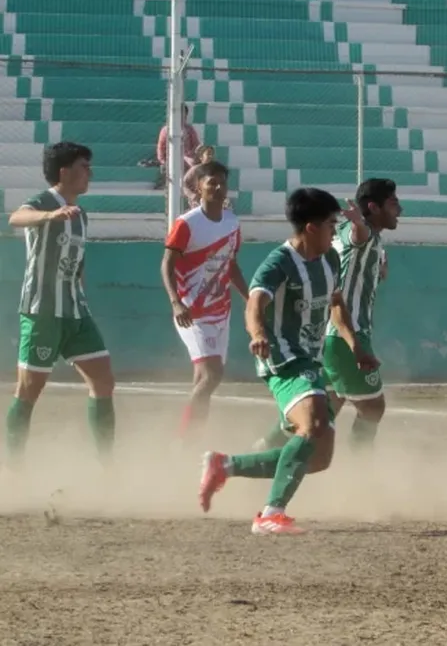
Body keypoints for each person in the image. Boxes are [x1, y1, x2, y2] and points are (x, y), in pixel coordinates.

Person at [197, 188, 377, 535]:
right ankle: (270, 514)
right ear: (311, 227)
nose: (334, 230)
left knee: (320, 458)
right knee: (312, 427)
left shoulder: (329, 259)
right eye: (330, 224)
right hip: (282, 356)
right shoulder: (278, 263)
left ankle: (225, 465)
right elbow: (254, 303)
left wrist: (356, 346)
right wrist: (258, 334)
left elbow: (336, 303)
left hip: (311, 358)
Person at [252, 178, 401, 453]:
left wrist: (377, 261)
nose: (399, 209)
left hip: (330, 335)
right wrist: (358, 225)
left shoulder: (361, 239)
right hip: (346, 334)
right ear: (374, 207)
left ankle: (264, 450)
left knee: (325, 404)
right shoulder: (356, 231)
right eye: (393, 203)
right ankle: (360, 468)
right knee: (372, 407)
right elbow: (356, 238)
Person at [6, 142, 116, 468]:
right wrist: (49, 215)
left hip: (75, 312)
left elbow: (77, 262)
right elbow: (17, 217)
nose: (90, 173)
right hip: (43, 311)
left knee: (103, 380)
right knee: (29, 389)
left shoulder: (81, 214)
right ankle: (13, 466)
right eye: (85, 166)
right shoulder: (46, 201)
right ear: (64, 172)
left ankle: (106, 464)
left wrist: (80, 289)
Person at [161, 161, 249, 443]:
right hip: (192, 311)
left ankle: (193, 437)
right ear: (199, 187)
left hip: (221, 311)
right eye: (212, 182)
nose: (218, 187)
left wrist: (249, 298)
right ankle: (182, 440)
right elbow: (167, 264)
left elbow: (231, 264)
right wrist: (176, 302)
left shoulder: (232, 223)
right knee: (213, 375)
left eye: (222, 182)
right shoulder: (187, 223)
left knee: (203, 379)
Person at [154, 104, 201, 191]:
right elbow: (161, 147)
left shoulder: (189, 129)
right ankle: (169, 183)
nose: (182, 118)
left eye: (184, 116)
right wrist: (162, 160)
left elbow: (196, 144)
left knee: (194, 163)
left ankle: (191, 184)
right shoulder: (166, 129)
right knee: (172, 165)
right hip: (171, 156)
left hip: (186, 156)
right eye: (179, 115)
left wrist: (191, 153)